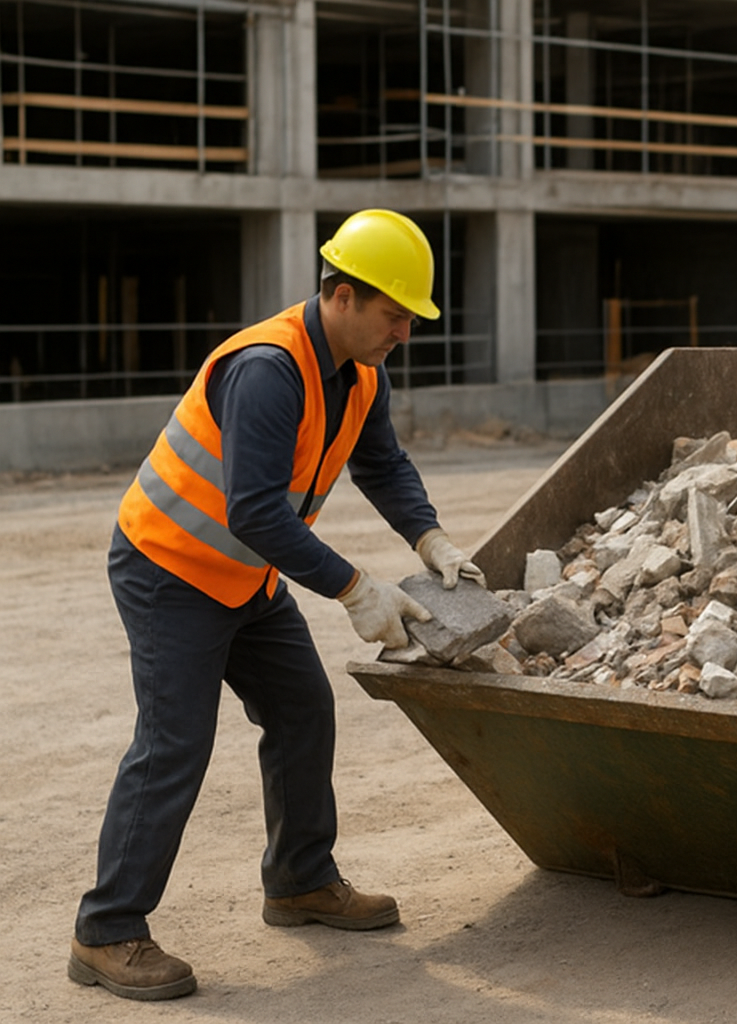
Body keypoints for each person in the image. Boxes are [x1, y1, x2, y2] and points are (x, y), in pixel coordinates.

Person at [69, 209, 486, 1001]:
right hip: (171, 571)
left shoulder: (362, 372)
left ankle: (299, 881)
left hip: (246, 578)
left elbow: (384, 466)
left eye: (411, 317)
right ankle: (107, 930)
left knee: (303, 711)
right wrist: (355, 589)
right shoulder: (267, 369)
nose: (404, 331)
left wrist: (430, 541)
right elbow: (255, 512)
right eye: (395, 313)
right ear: (341, 295)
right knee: (173, 747)